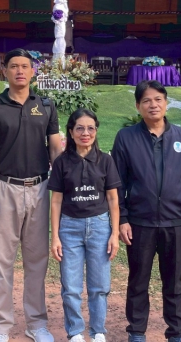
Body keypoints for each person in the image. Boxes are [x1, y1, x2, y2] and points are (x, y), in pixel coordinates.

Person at [0, 48, 63, 342]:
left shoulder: (46, 105)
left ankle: (36, 324)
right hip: (4, 189)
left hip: (40, 189)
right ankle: (0, 327)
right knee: (2, 261)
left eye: (25, 66)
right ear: (5, 71)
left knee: (37, 260)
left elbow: (56, 150)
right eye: (14, 66)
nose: (20, 71)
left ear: (33, 71)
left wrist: (62, 189)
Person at [112, 80, 181, 342]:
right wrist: (123, 219)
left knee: (174, 282)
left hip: (175, 222)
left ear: (166, 103)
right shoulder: (126, 137)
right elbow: (117, 183)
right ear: (138, 106)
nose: (153, 105)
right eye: (147, 100)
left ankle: (177, 332)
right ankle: (137, 331)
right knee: (138, 280)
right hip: (140, 222)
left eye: (158, 99)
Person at [49, 108, 121, 342]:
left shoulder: (105, 161)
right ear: (71, 132)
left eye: (91, 128)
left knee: (99, 285)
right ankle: (75, 332)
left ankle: (98, 331)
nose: (85, 133)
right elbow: (56, 201)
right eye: (79, 128)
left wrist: (114, 234)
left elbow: (113, 199)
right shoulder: (62, 162)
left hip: (99, 227)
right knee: (71, 286)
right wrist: (55, 236)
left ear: (96, 131)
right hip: (69, 228)